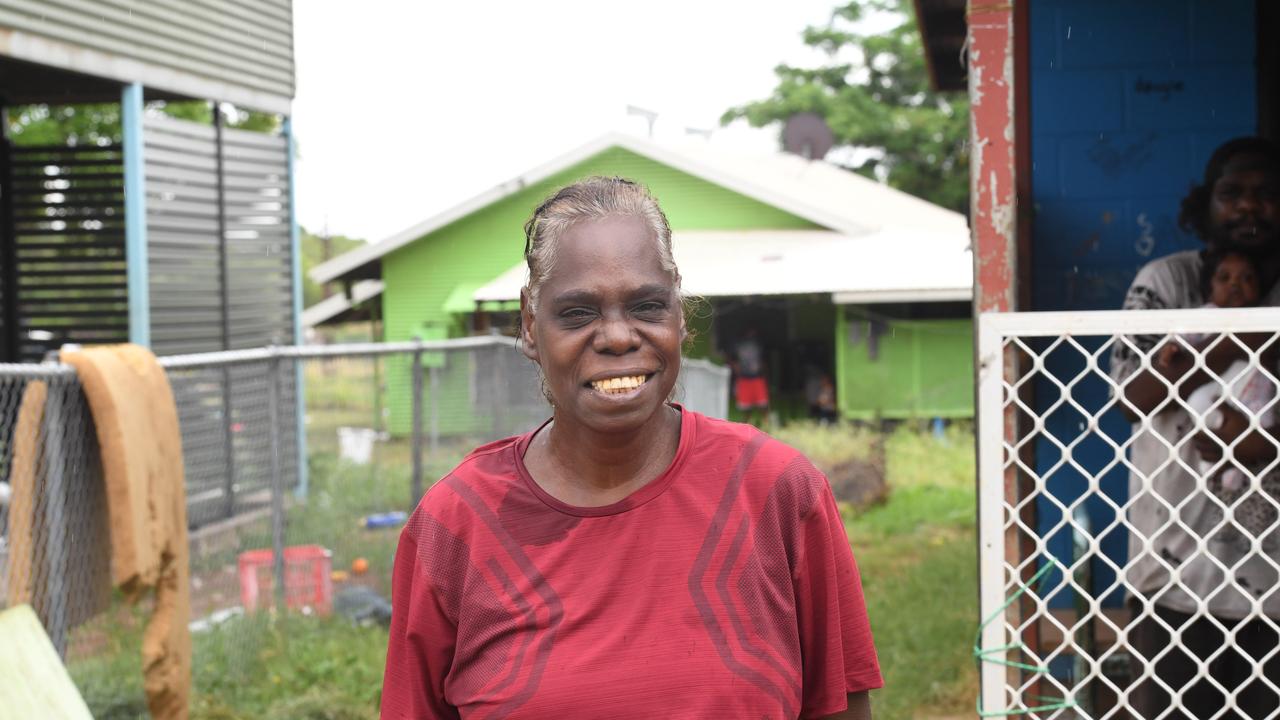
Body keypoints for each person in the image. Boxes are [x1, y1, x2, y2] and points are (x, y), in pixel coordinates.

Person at [380, 177, 882, 719]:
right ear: (529, 324)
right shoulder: (456, 525)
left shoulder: (777, 491)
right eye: (578, 312)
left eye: (646, 306)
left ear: (679, 314)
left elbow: (841, 706)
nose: (618, 336)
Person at [1109, 137, 1280, 719]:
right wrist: (1236, 343)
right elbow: (1133, 396)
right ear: (1206, 204)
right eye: (1233, 194)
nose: (1250, 208)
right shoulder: (1166, 282)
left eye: (1266, 195)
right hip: (1174, 570)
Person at [731, 326, 770, 426]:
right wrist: (736, 369)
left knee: (763, 403)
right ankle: (746, 424)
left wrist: (764, 374)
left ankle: (767, 423)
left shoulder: (760, 345)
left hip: (757, 378)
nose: (751, 334)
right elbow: (732, 359)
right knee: (745, 406)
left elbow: (764, 361)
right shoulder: (738, 345)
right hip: (744, 378)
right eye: (749, 332)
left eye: (753, 333)